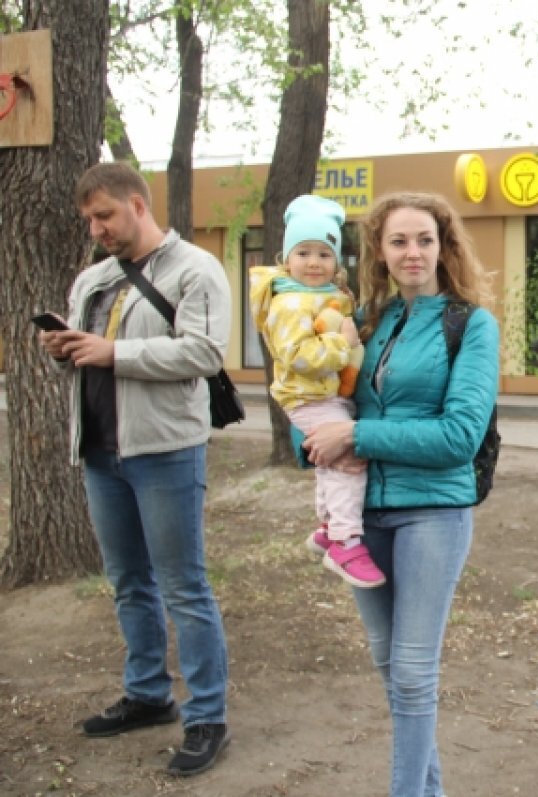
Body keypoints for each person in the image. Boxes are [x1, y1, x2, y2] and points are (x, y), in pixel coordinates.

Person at [35, 162, 231, 776]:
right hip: (101, 451)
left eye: (106, 216)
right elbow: (87, 362)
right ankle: (148, 694)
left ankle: (207, 717)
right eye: (89, 220)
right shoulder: (92, 279)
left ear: (139, 206)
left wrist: (113, 352)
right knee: (128, 583)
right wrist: (65, 349)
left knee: (184, 587)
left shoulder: (195, 269)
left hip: (165, 450)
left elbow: (203, 351)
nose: (97, 229)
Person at [301, 192, 499, 797]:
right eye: (398, 241)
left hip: (433, 512)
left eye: (424, 240)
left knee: (413, 675)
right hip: (363, 522)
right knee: (394, 670)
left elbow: (460, 437)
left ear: (444, 247)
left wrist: (361, 434)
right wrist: (312, 439)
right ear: (380, 252)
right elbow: (322, 403)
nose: (412, 252)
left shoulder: (469, 323)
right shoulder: (365, 322)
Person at [248, 194, 384, 588]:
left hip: (326, 394)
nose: (313, 262)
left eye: (324, 254)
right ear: (286, 257)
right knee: (348, 463)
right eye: (303, 252)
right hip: (309, 396)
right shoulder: (290, 303)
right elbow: (296, 356)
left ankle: (327, 527)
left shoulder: (326, 297)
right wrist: (343, 344)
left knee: (333, 462)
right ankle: (345, 540)